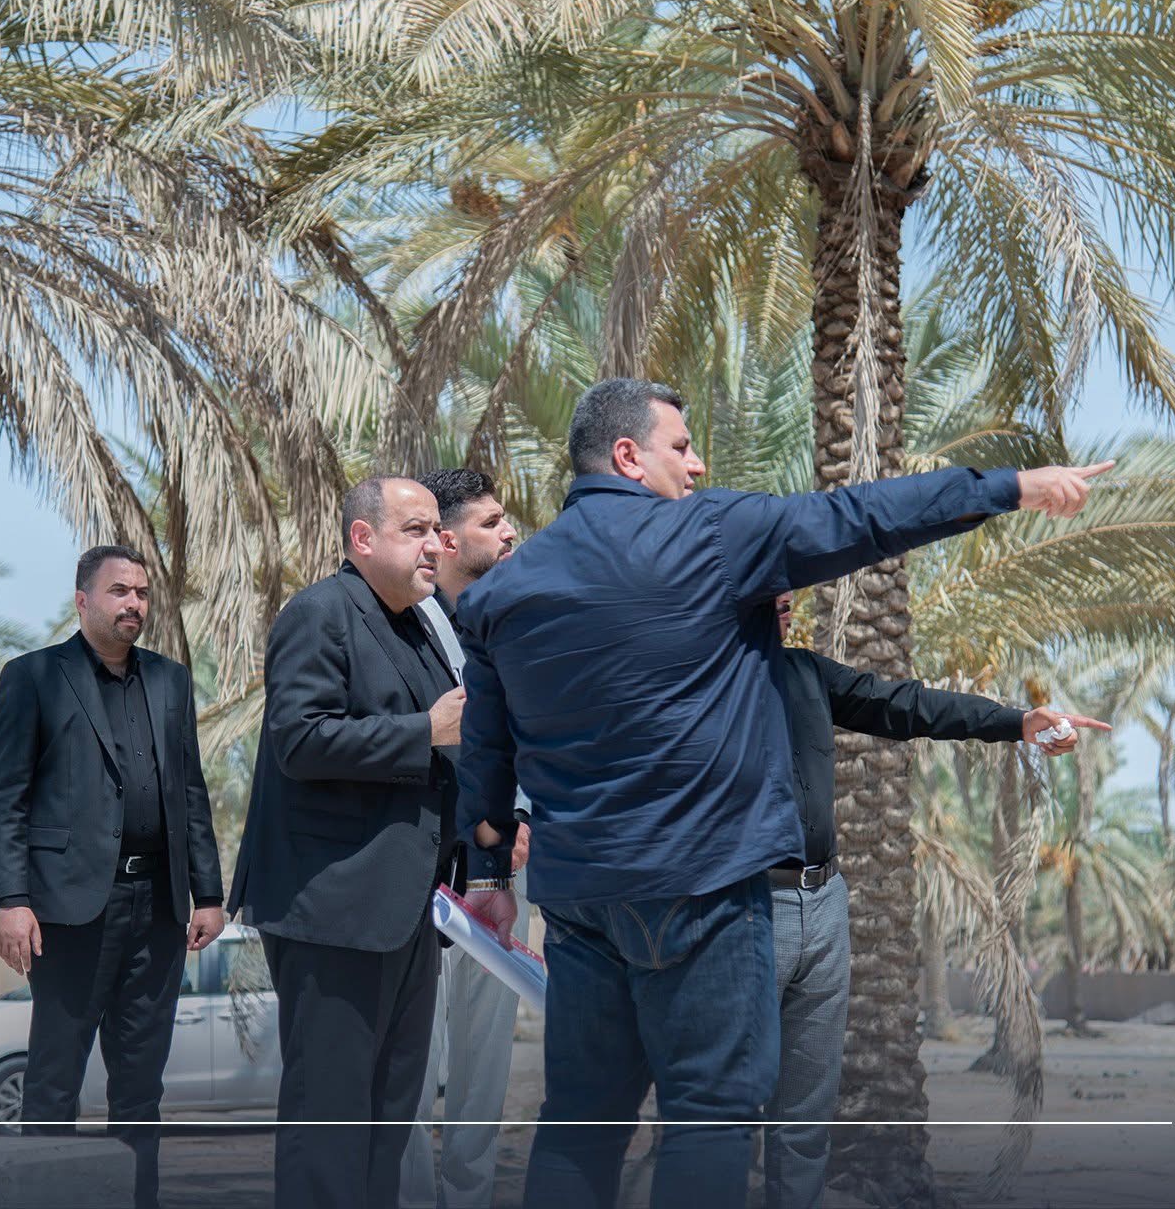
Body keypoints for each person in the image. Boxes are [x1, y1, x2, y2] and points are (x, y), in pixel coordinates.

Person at [454, 378, 1113, 1208]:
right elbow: (863, 516)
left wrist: (488, 880)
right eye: (680, 447)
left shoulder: (500, 593)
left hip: (580, 902)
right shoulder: (710, 533)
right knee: (709, 1119)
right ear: (627, 457)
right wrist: (1011, 486)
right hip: (702, 893)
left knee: (581, 1122)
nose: (697, 465)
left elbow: (487, 752)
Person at [762, 592, 1109, 1209]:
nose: (787, 594)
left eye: (789, 581)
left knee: (805, 1121)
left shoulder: (806, 673)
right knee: (718, 1112)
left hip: (824, 903)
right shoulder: (697, 681)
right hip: (745, 911)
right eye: (768, 580)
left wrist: (1017, 723)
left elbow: (909, 704)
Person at [227, 476, 464, 1209]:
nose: (435, 545)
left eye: (437, 531)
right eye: (416, 530)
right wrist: (424, 730)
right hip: (333, 908)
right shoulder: (320, 613)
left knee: (389, 1119)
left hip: (406, 909)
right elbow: (300, 740)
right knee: (329, 1121)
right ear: (363, 538)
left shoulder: (420, 625)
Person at [0, 545, 226, 1209]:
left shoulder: (170, 680)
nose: (134, 604)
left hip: (158, 909)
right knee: (53, 1081)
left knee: (141, 1088)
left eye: (142, 593)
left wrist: (208, 892)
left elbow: (191, 791)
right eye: (120, 591)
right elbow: (6, 797)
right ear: (82, 600)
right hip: (70, 911)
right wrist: (12, 899)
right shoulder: (33, 676)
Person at [400, 468, 528, 1209]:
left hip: (500, 873)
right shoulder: (400, 624)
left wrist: (523, 818)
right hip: (423, 873)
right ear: (446, 541)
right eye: (492, 522)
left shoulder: (509, 621)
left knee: (484, 1065)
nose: (509, 533)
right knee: (414, 1061)